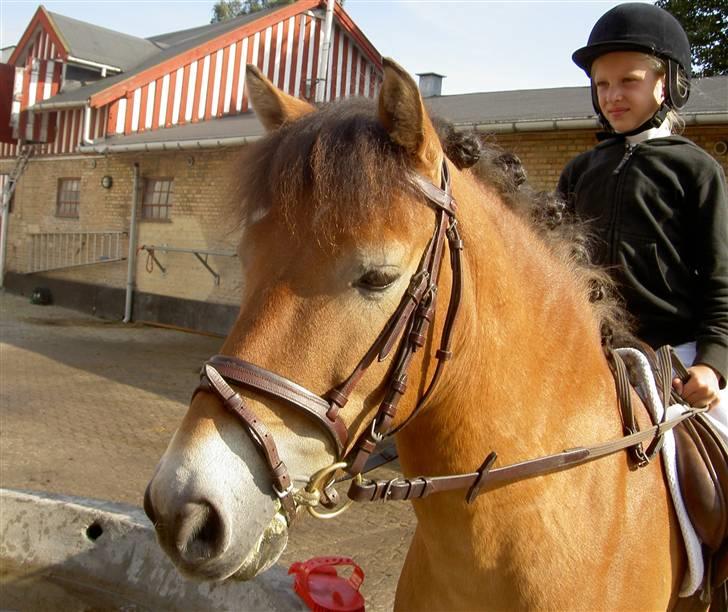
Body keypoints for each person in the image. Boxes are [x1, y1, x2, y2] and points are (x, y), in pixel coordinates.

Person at [556, 3, 728, 424]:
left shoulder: (695, 169)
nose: (612, 96)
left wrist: (714, 363)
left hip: (677, 360)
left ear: (667, 83)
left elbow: (721, 277)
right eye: (602, 84)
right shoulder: (580, 171)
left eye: (628, 82)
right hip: (588, 354)